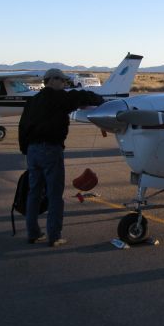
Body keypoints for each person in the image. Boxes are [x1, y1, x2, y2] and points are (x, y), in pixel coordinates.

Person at [19, 68, 104, 247]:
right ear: (53, 80)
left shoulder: (33, 101)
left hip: (32, 151)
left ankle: (33, 233)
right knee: (55, 194)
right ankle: (54, 236)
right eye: (63, 81)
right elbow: (81, 97)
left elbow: (23, 126)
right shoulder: (59, 98)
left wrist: (26, 150)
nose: (65, 85)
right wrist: (100, 100)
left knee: (34, 192)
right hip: (50, 149)